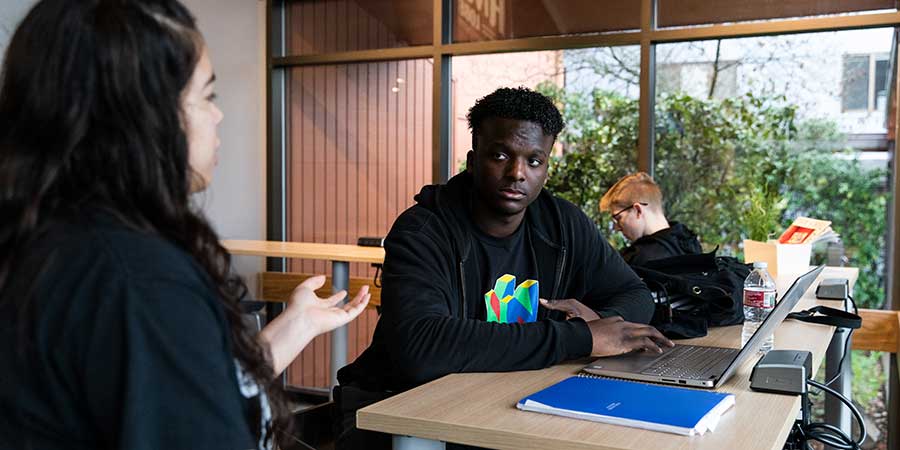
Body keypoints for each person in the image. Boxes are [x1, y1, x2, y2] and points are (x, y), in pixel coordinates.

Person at [0, 1, 369, 449]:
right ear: (142, 115)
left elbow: (191, 387)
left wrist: (298, 325)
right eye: (207, 96)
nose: (218, 116)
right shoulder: (138, 280)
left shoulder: (57, 241)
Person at [333, 87, 672, 449]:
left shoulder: (563, 224)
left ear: (545, 168)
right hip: (398, 411)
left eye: (534, 161)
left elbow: (635, 294)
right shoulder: (424, 230)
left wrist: (604, 321)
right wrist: (584, 338)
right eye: (500, 155)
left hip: (501, 403)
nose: (517, 173)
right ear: (472, 158)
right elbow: (422, 346)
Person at [599, 172, 702, 266]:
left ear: (638, 210)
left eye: (618, 218)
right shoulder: (691, 244)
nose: (617, 228)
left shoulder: (639, 260)